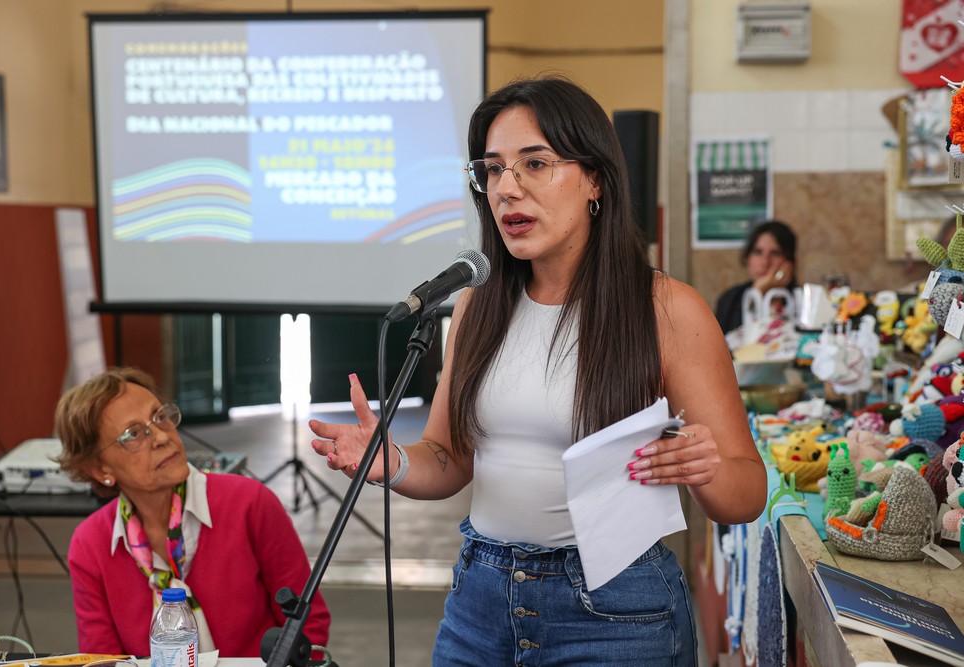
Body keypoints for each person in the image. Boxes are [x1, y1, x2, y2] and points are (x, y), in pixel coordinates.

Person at [309, 76, 765, 665]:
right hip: (481, 599)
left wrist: (705, 466)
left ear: (594, 179)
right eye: (493, 170)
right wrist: (390, 461)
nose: (508, 188)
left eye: (534, 163)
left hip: (616, 613)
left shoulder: (666, 309)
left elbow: (747, 493)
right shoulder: (477, 302)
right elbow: (448, 460)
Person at [55, 367, 330, 657]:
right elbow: (102, 661)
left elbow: (307, 627)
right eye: (134, 434)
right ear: (100, 469)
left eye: (160, 417)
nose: (161, 437)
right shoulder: (91, 544)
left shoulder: (249, 503)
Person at [714, 219, 798, 333]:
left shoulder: (801, 301)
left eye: (775, 253)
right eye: (758, 252)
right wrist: (757, 292)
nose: (765, 262)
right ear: (748, 258)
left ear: (789, 262)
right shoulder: (730, 300)